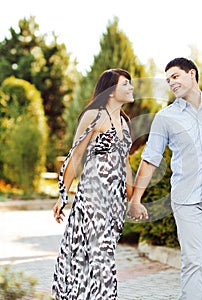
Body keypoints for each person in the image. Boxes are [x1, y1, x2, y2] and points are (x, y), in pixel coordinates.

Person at [127, 57, 202, 299]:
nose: (171, 82)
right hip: (185, 200)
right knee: (192, 260)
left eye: (175, 76)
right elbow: (150, 159)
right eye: (168, 79)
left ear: (192, 74)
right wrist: (136, 198)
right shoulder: (165, 117)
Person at [52, 68, 134, 299]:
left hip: (115, 201)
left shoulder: (124, 122)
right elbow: (76, 156)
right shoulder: (94, 116)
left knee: (97, 255)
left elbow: (125, 160)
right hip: (93, 195)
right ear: (110, 91)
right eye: (125, 84)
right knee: (102, 256)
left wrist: (131, 197)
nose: (131, 88)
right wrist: (63, 194)